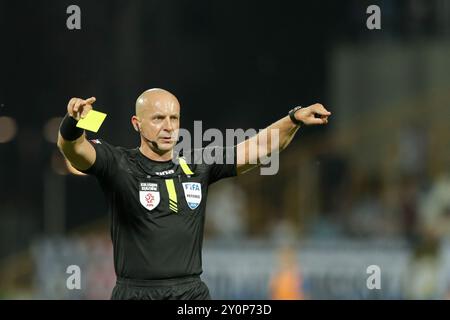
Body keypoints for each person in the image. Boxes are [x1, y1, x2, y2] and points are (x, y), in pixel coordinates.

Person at [57, 88, 331, 300]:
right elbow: (74, 150)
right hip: (136, 292)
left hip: (191, 293)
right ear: (136, 123)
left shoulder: (197, 166)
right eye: (158, 118)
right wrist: (73, 123)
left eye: (174, 118)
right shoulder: (118, 164)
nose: (168, 126)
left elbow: (259, 148)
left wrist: (293, 118)